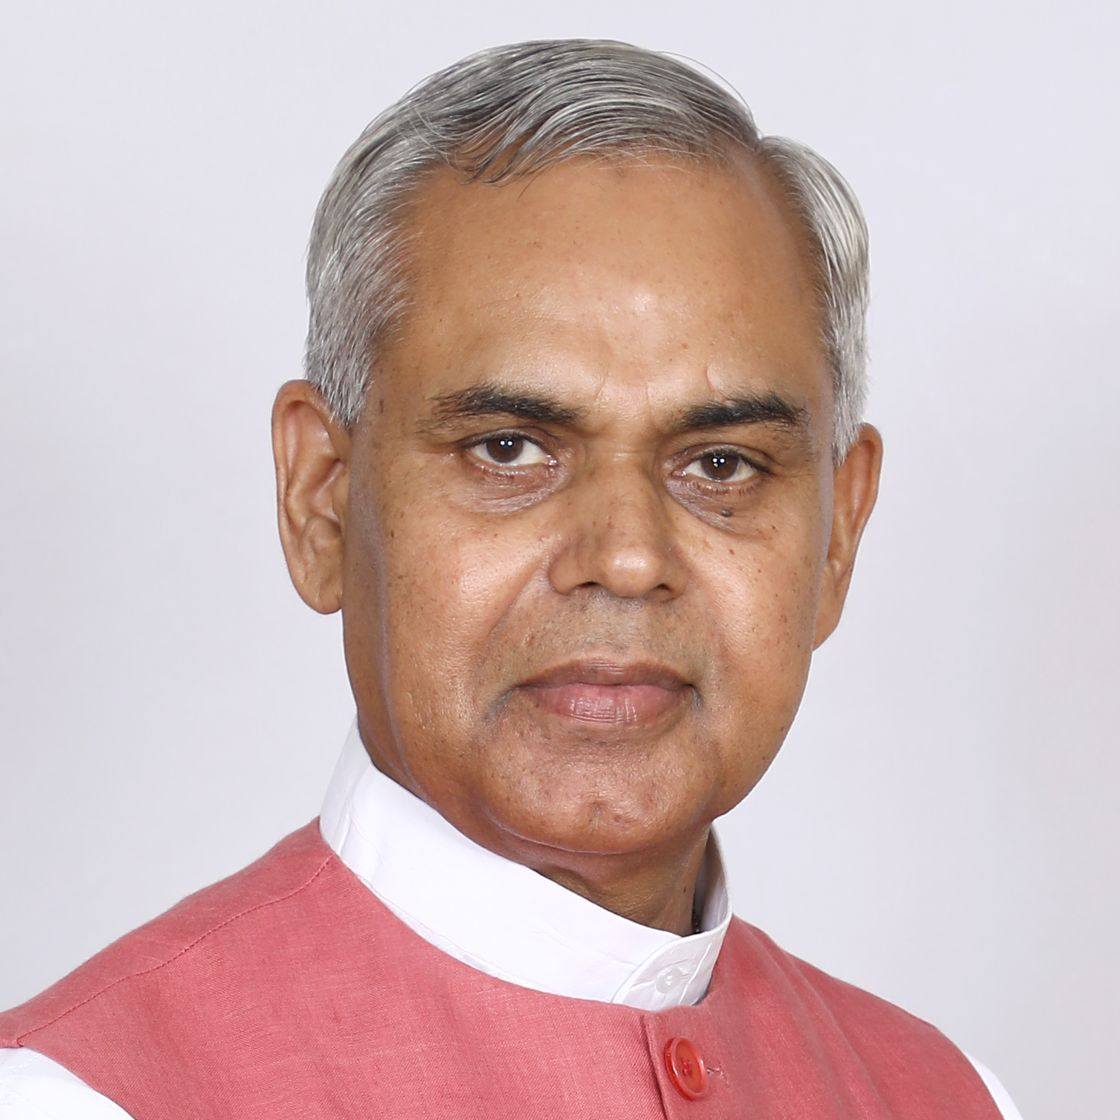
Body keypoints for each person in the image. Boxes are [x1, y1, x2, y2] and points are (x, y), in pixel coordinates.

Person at [0, 37, 1024, 1119]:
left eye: (721, 465)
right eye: (508, 449)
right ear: (323, 500)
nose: (626, 557)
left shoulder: (951, 1099)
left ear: (836, 535)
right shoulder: (82, 1098)